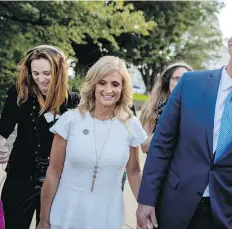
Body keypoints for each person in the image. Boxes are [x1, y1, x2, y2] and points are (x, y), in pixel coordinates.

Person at [136, 16, 232, 229]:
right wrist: (146, 199)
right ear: (231, 45)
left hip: (229, 217)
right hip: (173, 208)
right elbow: (161, 144)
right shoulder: (190, 84)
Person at [37, 56, 147, 229]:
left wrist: (144, 206)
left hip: (107, 217)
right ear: (93, 85)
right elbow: (53, 173)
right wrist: (43, 220)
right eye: (102, 82)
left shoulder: (130, 125)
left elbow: (133, 172)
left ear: (123, 88)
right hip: (66, 214)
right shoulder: (70, 121)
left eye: (115, 84)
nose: (108, 90)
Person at [0, 45, 80, 229]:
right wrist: (1, 148)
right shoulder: (20, 95)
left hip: (57, 183)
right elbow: (3, 130)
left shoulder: (73, 102)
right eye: (35, 73)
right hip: (19, 178)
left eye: (47, 73)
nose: (41, 79)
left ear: (60, 72)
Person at [139, 61, 193, 153]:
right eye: (177, 79)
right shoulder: (152, 109)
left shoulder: (195, 110)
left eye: (185, 79)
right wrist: (166, 123)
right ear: (167, 82)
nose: (181, 83)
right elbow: (144, 147)